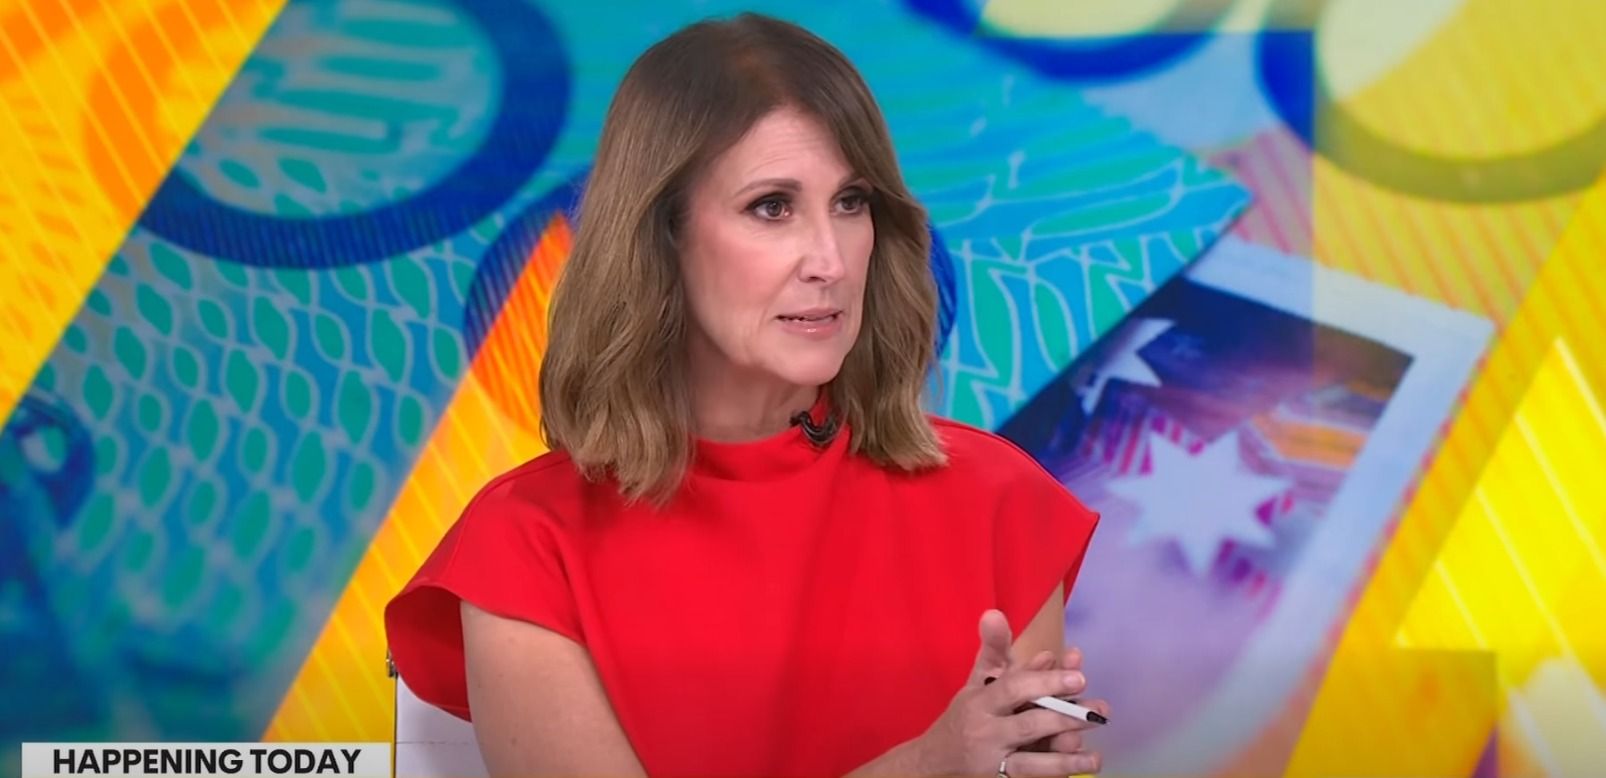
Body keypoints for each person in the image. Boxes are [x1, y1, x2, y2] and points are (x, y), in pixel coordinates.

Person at [385, 12, 1107, 778]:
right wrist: (929, 765)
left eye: (851, 202)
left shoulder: (998, 501)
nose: (830, 261)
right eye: (772, 207)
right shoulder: (526, 545)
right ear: (661, 236)